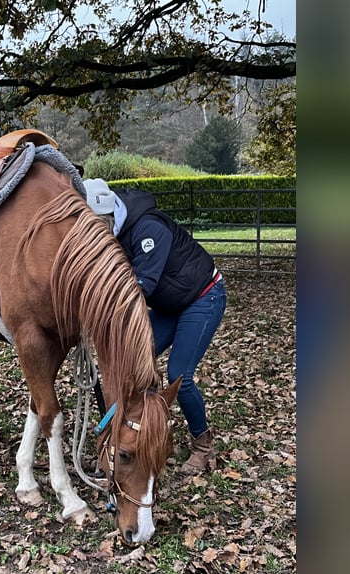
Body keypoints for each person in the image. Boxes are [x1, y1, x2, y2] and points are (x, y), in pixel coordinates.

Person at [84, 178, 227, 474]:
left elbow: (141, 286)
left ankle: (204, 446)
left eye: (97, 228)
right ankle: (124, 436)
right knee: (122, 363)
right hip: (169, 304)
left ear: (110, 217)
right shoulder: (114, 232)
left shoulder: (149, 229)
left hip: (202, 296)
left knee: (180, 375)